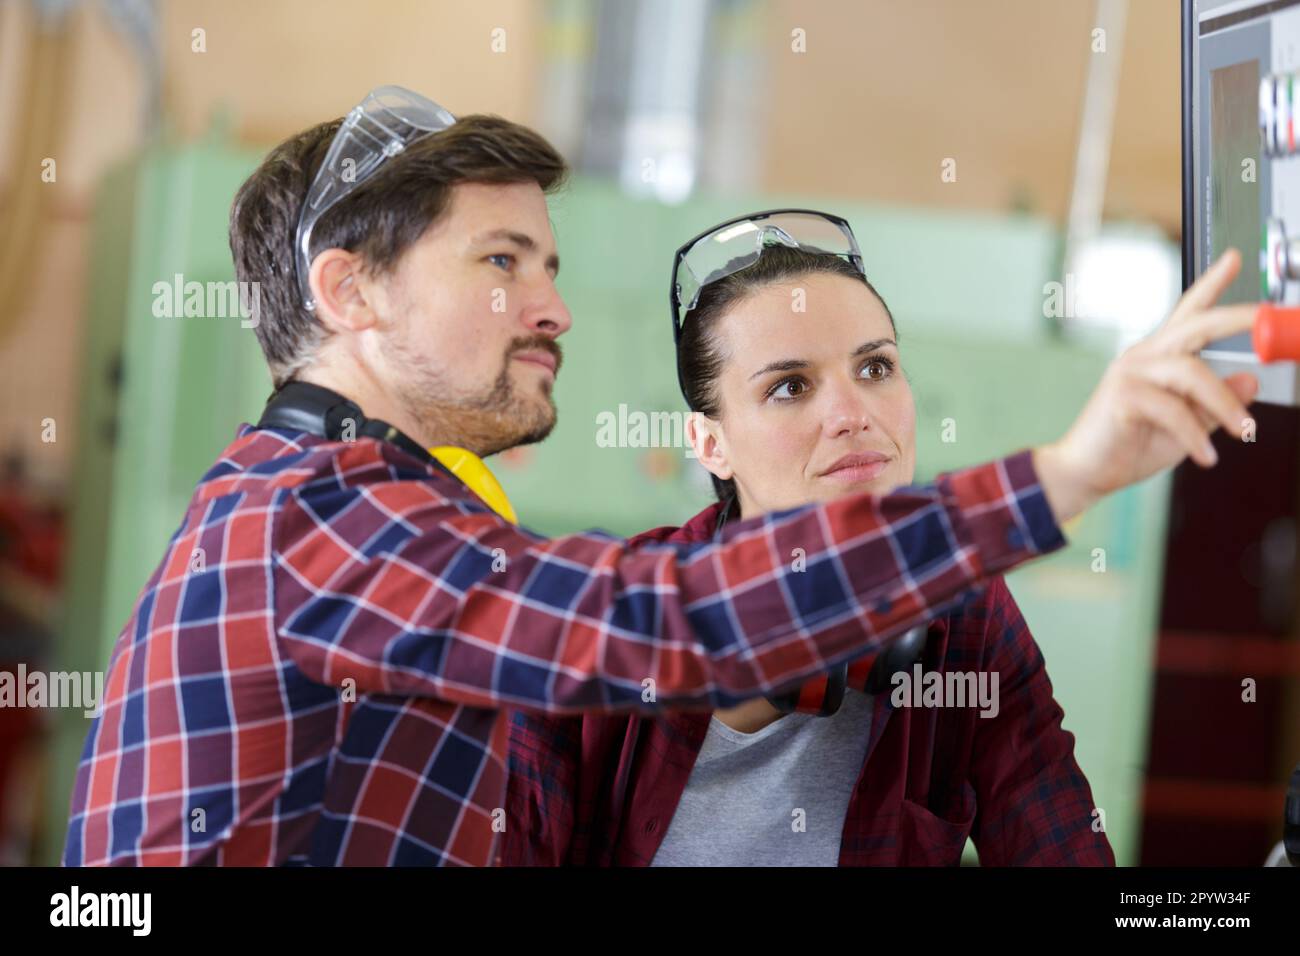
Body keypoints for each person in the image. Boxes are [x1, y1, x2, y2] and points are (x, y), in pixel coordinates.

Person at [62, 86, 1256, 867]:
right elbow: (660, 625)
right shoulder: (313, 515)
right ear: (348, 293)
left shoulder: (389, 515)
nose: (554, 306)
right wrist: (1066, 471)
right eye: (501, 260)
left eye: (878, 368)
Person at [503, 209, 1261, 866]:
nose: (852, 412)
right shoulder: (596, 630)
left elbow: (1059, 844)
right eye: (789, 386)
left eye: (875, 367)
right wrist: (1070, 473)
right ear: (711, 444)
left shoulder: (968, 623)